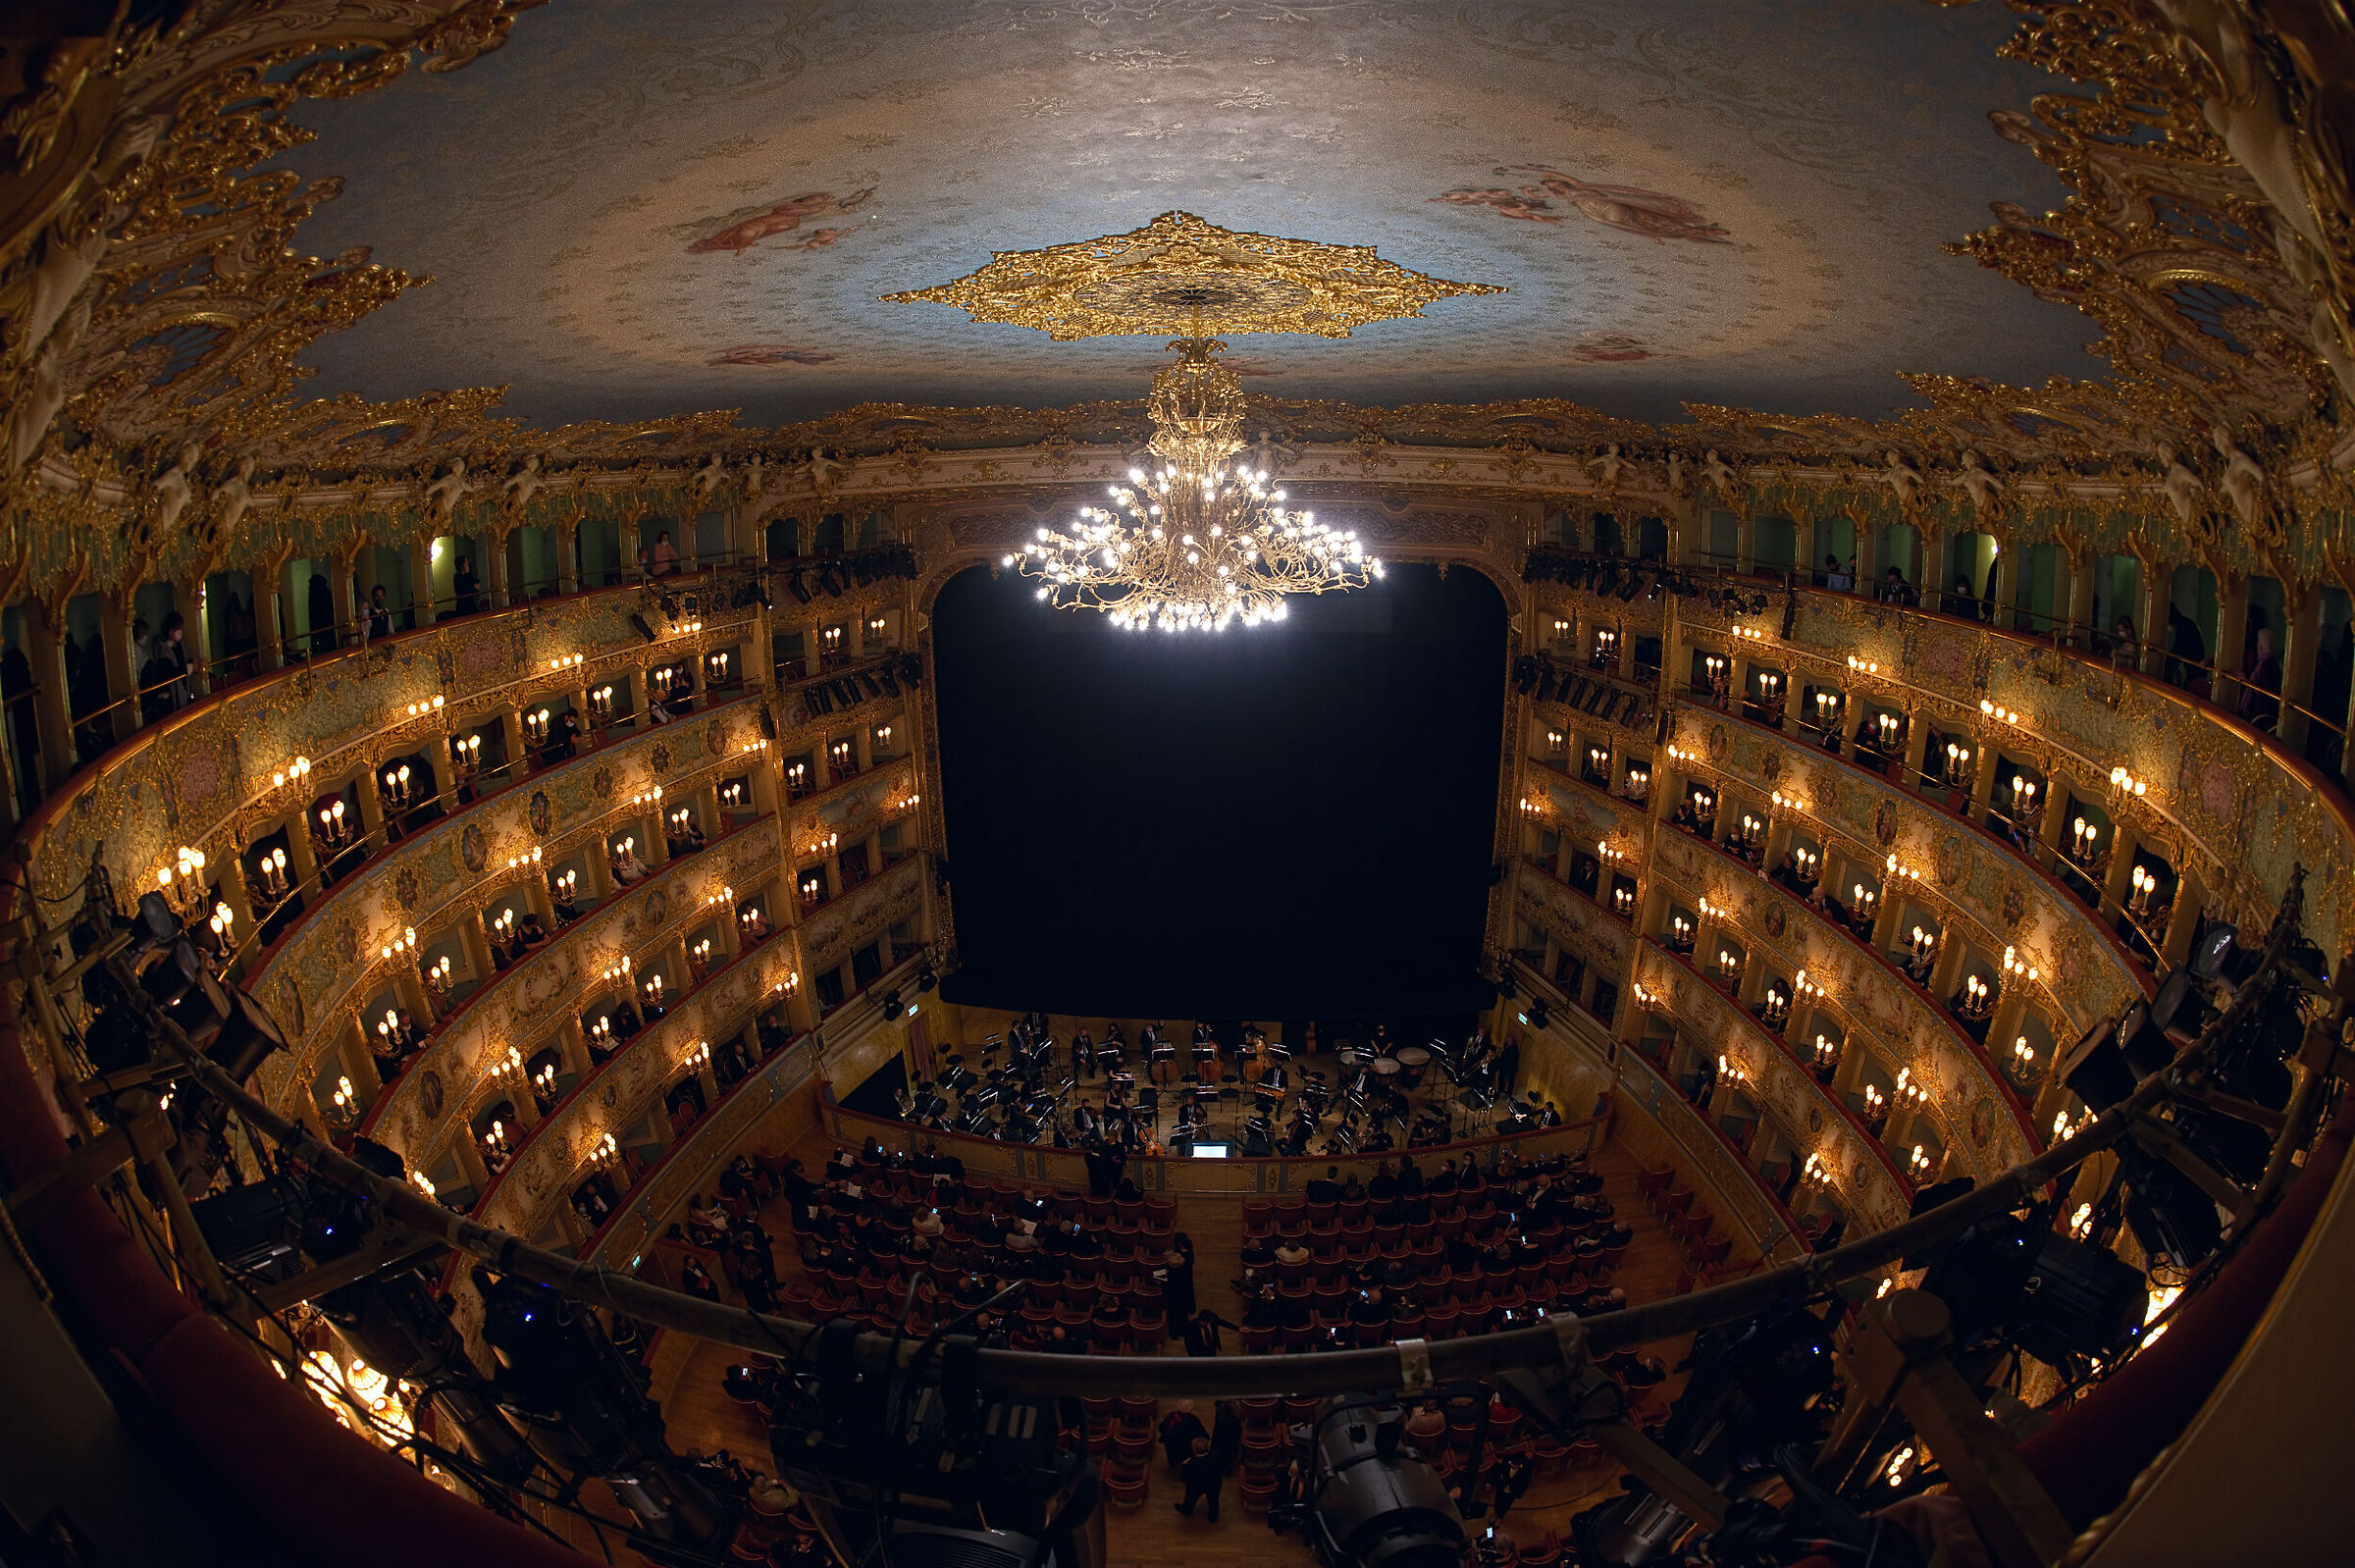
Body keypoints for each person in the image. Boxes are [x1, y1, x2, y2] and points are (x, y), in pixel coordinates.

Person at [2241, 625, 2281, 730]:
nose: (2257, 646)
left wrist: (2245, 680)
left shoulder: (2267, 663)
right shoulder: (2264, 662)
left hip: (2260, 710)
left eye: (2259, 642)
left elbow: (2263, 689)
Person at [1175, 1436, 1224, 1521]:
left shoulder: (1190, 1464)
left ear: (1194, 1450)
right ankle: (1213, 1517)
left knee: (1190, 1499)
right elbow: (1220, 1470)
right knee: (1213, 1501)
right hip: (1213, 1484)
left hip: (1196, 1486)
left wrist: (1184, 1465)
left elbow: (1183, 1478)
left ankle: (1186, 1510)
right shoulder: (1216, 1458)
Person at [2166, 603, 2207, 693]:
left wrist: (2164, 670)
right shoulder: (2186, 623)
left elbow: (2178, 652)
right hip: (2195, 672)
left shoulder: (2183, 626)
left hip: (2194, 675)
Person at [1158, 1401, 1209, 1471]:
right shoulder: (1192, 1419)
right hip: (1185, 1445)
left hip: (1171, 1445)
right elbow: (1199, 1431)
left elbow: (1161, 1428)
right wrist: (1206, 1437)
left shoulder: (1170, 1416)